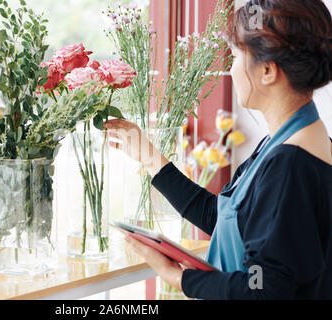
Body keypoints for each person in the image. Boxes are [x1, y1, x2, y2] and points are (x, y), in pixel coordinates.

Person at [106, 0, 332, 300]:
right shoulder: (291, 143)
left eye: (236, 56)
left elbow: (263, 288)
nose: (231, 67)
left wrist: (179, 278)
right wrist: (150, 157)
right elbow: (229, 220)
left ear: (267, 70)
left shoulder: (290, 164)